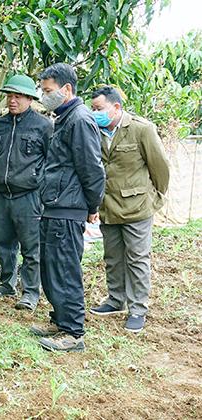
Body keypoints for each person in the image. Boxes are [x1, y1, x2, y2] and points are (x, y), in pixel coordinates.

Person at [30, 63, 105, 352]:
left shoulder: (80, 120)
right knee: (50, 268)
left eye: (48, 91)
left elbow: (92, 168)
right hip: (53, 205)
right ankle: (60, 320)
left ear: (67, 89)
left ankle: (73, 333)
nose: (44, 96)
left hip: (68, 207)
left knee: (64, 269)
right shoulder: (64, 118)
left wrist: (92, 205)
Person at [89, 86, 170, 333]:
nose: (95, 113)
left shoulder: (141, 129)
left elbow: (160, 168)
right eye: (92, 109)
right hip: (109, 206)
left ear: (116, 107)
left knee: (137, 258)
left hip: (137, 207)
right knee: (113, 257)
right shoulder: (95, 130)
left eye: (99, 109)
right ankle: (116, 299)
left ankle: (137, 309)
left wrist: (155, 196)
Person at [0, 75, 53, 311]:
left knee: (31, 246)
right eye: (9, 96)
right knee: (3, 242)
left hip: (29, 196)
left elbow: (50, 161)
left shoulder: (43, 126)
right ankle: (7, 283)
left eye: (18, 96)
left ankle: (31, 292)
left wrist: (40, 187)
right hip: (2, 194)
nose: (12, 101)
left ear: (29, 98)